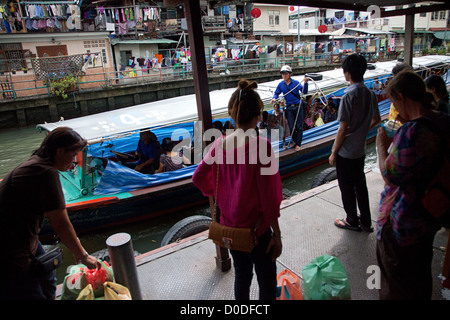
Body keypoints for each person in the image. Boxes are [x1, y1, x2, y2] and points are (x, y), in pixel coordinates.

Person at [193, 79, 283, 300]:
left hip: (231, 230)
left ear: (232, 114)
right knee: (266, 281)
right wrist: (277, 235)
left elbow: (198, 177)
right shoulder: (262, 146)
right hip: (258, 231)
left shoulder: (218, 144)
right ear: (259, 115)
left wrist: (222, 196)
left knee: (242, 276)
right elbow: (269, 199)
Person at [0, 127, 101, 300]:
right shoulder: (46, 172)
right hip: (10, 248)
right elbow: (61, 223)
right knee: (30, 291)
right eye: (73, 155)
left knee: (48, 279)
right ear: (60, 151)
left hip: (26, 238)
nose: (74, 162)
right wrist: (82, 255)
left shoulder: (36, 163)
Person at [375, 70, 450, 299]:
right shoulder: (443, 121)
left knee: (394, 286)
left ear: (401, 97)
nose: (395, 108)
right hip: (429, 218)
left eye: (394, 102)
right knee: (419, 281)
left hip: (402, 221)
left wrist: (382, 146)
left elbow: (390, 175)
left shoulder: (411, 132)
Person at [329, 54, 381, 232]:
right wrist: (362, 131)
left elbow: (342, 129)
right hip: (360, 150)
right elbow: (377, 119)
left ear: (348, 73)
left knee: (346, 187)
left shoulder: (348, 97)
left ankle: (351, 219)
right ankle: (366, 221)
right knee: (360, 185)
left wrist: (334, 152)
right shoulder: (370, 94)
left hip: (346, 151)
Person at [271, 65, 309, 151]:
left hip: (298, 106)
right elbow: (276, 93)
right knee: (291, 126)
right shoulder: (281, 84)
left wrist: (306, 83)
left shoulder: (295, 83)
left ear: (289, 74)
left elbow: (304, 92)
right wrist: (274, 98)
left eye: (285, 74)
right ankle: (295, 141)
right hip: (289, 108)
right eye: (282, 74)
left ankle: (298, 144)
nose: (284, 75)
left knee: (299, 126)